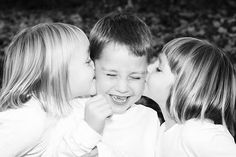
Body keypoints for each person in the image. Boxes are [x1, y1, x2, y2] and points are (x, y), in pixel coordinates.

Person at [54, 12, 160, 157]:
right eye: (111, 75)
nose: (122, 88)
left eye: (135, 77)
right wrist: (88, 128)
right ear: (92, 67)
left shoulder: (149, 119)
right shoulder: (72, 111)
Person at [0, 22, 96, 157]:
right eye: (87, 61)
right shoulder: (27, 121)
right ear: (55, 73)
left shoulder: (68, 104)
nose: (95, 64)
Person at [144, 37, 236, 157]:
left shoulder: (197, 132)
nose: (146, 68)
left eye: (158, 69)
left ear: (186, 87)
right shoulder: (164, 130)